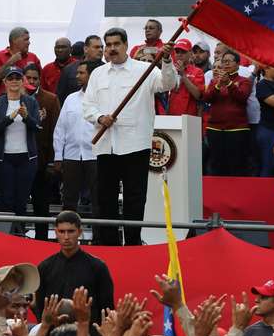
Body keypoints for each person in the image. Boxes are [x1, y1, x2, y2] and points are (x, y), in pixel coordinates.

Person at [82, 28, 177, 246]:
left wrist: (167, 61)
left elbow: (168, 84)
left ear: (126, 45)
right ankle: (110, 246)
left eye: (116, 44)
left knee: (135, 199)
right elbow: (87, 106)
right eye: (109, 44)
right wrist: (99, 118)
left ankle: (133, 243)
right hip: (107, 146)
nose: (112, 49)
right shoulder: (98, 74)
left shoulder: (145, 70)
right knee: (106, 200)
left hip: (136, 145)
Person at [36, 211, 114, 331]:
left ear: (79, 232)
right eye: (62, 232)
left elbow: (107, 307)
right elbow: (41, 308)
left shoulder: (98, 267)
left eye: (71, 231)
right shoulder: (45, 267)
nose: (66, 237)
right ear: (56, 232)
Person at [0, 66, 41, 224]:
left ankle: (20, 233)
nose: (14, 81)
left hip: (27, 158)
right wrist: (11, 117)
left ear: (22, 81)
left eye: (17, 78)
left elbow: (37, 126)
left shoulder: (30, 102)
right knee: (6, 198)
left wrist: (26, 117)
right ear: (4, 81)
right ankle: (6, 235)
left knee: (22, 199)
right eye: (10, 78)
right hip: (4, 158)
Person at [53, 60, 102, 215]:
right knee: (69, 200)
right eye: (77, 72)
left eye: (81, 73)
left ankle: (98, 238)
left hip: (96, 156)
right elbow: (60, 129)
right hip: (71, 156)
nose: (77, 76)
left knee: (98, 200)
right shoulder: (71, 99)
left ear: (92, 75)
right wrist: (58, 156)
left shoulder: (103, 99)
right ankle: (67, 235)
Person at [23, 63, 61, 241]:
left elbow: (57, 132)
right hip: (19, 161)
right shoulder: (12, 98)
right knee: (18, 205)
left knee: (41, 205)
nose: (31, 81)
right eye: (28, 78)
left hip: (42, 162)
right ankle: (18, 239)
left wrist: (53, 161)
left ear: (40, 80)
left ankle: (42, 241)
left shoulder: (50, 99)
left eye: (35, 78)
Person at [202, 50, 252, 176]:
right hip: (215, 128)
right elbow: (207, 98)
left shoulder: (244, 81)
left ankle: (236, 193)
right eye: (224, 61)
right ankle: (218, 193)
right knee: (216, 163)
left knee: (236, 163)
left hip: (237, 129)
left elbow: (242, 97)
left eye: (229, 61)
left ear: (238, 64)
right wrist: (219, 85)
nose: (226, 64)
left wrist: (229, 83)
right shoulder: (214, 81)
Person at [0, 27, 42, 97]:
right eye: (26, 39)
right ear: (14, 40)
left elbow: (40, 81)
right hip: (4, 104)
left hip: (28, 103)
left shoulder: (33, 57)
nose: (29, 43)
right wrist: (10, 62)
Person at [57, 35, 104, 104]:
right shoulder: (69, 70)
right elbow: (60, 97)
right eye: (96, 47)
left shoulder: (107, 70)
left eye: (101, 47)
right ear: (85, 49)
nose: (100, 50)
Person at [166, 38, 204, 117]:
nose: (179, 54)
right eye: (177, 52)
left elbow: (198, 95)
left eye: (183, 52)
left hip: (189, 117)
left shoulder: (197, 71)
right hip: (170, 116)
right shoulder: (170, 68)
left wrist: (183, 74)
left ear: (190, 53)